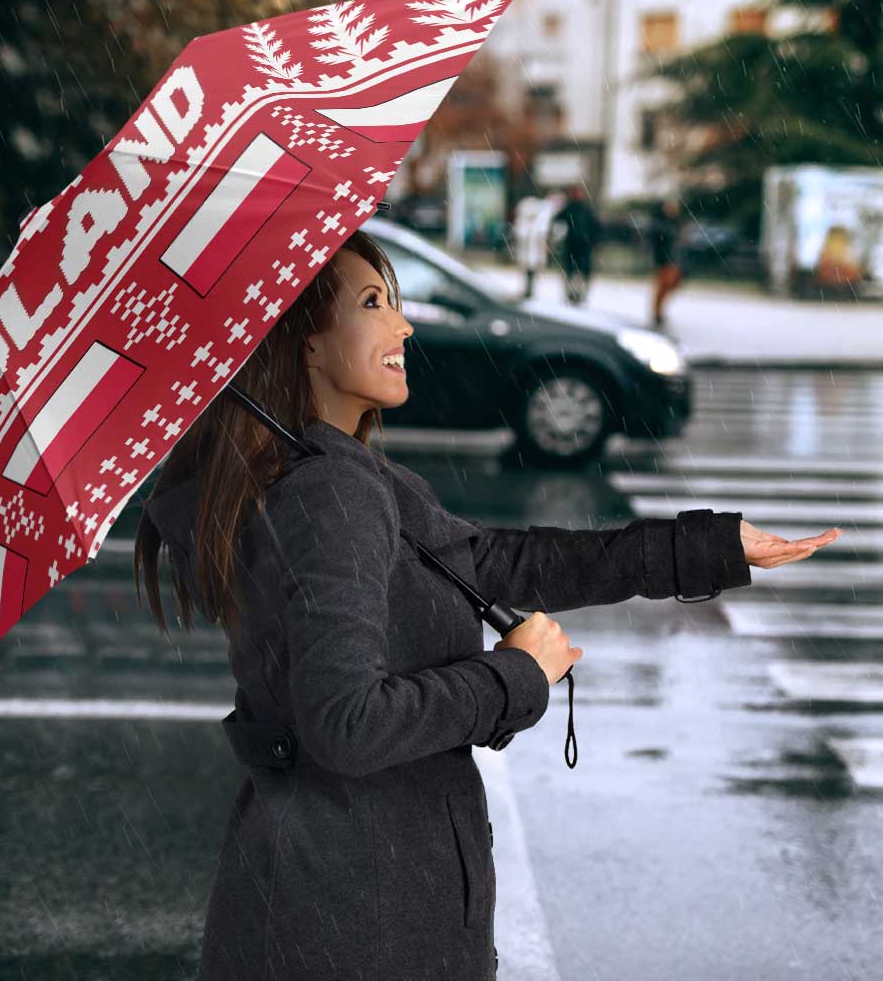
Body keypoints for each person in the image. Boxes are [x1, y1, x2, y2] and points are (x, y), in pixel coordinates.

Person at [135, 228, 840, 981]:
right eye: (373, 304)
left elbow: (499, 563)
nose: (403, 326)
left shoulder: (329, 476)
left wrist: (708, 548)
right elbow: (347, 724)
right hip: (359, 920)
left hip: (332, 898)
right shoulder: (330, 493)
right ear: (306, 342)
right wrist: (514, 676)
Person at [551, 183, 601, 306]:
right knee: (573, 271)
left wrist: (594, 241)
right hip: (575, 245)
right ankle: (572, 294)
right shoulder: (573, 208)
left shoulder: (583, 209)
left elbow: (595, 227)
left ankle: (578, 294)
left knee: (578, 272)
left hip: (581, 246)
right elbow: (557, 220)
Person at [649, 196, 685, 327]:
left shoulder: (675, 223)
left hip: (673, 260)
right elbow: (658, 243)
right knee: (663, 286)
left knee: (671, 284)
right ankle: (657, 312)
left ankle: (658, 311)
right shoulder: (661, 224)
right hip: (664, 260)